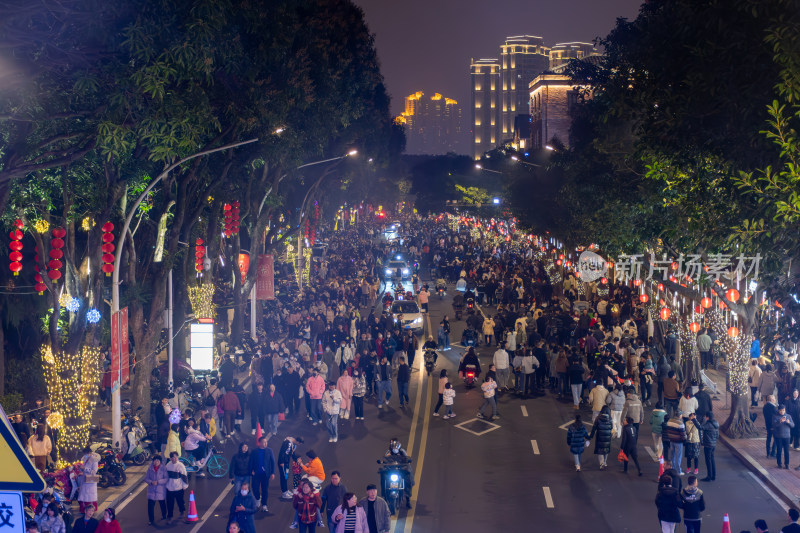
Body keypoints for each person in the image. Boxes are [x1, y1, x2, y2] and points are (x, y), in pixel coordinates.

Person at [249, 435, 276, 511]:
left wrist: (272, 473)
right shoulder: (254, 451)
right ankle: (258, 499)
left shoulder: (269, 451)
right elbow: (251, 462)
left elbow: (272, 462)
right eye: (263, 442)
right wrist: (251, 471)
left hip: (265, 474)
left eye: (266, 442)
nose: (265, 443)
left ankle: (264, 505)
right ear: (259, 443)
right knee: (255, 488)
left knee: (265, 490)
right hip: (256, 474)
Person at [587, 405, 613, 469]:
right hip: (607, 437)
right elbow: (611, 427)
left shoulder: (598, 418)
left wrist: (590, 437)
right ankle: (605, 462)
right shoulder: (610, 418)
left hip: (600, 436)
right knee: (606, 449)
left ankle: (601, 463)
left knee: (600, 450)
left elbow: (594, 428)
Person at [145, 455, 168, 525]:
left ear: (160, 461)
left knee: (162, 504)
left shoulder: (163, 468)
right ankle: (151, 520)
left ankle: (164, 515)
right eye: (155, 460)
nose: (156, 462)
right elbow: (146, 479)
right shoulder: (149, 469)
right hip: (151, 490)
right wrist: (151, 482)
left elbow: (166, 479)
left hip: (160, 490)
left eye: (158, 460)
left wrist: (158, 482)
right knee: (150, 507)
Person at [165, 451, 188, 521]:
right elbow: (165, 476)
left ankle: (182, 511)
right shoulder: (168, 465)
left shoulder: (181, 465)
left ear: (177, 457)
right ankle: (170, 516)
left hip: (179, 488)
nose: (173, 459)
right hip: (169, 488)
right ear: (170, 458)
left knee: (180, 501)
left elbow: (184, 476)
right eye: (172, 457)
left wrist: (184, 486)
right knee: (169, 503)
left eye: (175, 457)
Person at [78, 449, 100, 513]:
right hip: (83, 480)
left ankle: (90, 510)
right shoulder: (83, 459)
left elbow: (94, 471)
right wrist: (81, 470)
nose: (85, 455)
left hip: (90, 482)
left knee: (90, 497)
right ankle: (83, 510)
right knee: (83, 496)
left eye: (86, 453)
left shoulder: (94, 460)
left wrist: (85, 469)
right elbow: (82, 469)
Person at [773, 404, 794, 469]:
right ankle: (779, 463)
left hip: (787, 436)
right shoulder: (775, 416)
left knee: (786, 451)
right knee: (779, 450)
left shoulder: (788, 416)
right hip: (779, 436)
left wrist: (789, 423)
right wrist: (780, 421)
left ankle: (787, 464)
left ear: (785, 410)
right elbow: (774, 425)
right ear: (778, 410)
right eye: (781, 410)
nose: (782, 411)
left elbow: (793, 425)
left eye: (783, 410)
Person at [700, 412, 719, 481]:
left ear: (707, 417)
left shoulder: (708, 424)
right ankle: (713, 475)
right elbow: (717, 436)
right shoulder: (716, 423)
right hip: (713, 444)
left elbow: (700, 427)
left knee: (708, 461)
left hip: (708, 444)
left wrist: (694, 420)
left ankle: (709, 476)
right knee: (712, 460)